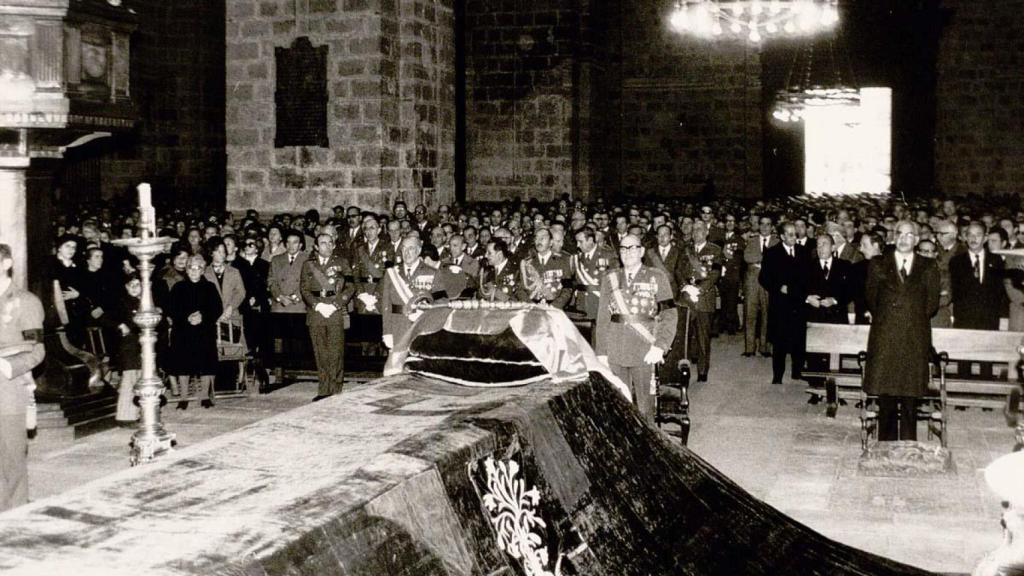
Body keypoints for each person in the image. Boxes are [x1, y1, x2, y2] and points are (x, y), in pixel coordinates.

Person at [863, 221, 940, 441]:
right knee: (886, 392)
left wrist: (909, 316)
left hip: (914, 336)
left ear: (917, 239)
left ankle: (908, 444)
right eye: (900, 234)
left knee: (910, 394)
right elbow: (872, 299)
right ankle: (885, 444)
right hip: (886, 336)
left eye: (909, 235)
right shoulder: (878, 263)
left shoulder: (928, 266)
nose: (904, 238)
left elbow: (931, 304)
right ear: (892, 237)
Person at [594, 234, 677, 425]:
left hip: (645, 349)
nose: (627, 253)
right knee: (618, 404)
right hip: (616, 349)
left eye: (632, 248)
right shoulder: (610, 278)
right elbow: (603, 318)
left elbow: (669, 314)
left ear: (641, 251)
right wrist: (601, 353)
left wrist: (660, 345)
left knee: (644, 408)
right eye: (623, 249)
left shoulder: (657, 277)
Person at [0, 244, 46, 512]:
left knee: (12, 459)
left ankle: (16, 517)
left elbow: (37, 349)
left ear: (7, 264)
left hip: (8, 390)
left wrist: (7, 367)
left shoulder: (25, 302)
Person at [300, 233, 355, 401]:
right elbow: (304, 289)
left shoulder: (342, 263)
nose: (327, 246)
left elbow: (351, 286)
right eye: (322, 243)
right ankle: (324, 389)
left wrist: (336, 304)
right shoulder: (308, 265)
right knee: (320, 352)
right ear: (316, 247)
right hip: (316, 312)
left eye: (329, 243)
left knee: (335, 352)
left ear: (333, 245)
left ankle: (336, 389)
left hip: (334, 311)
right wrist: (317, 305)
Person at [166, 255, 222, 410]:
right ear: (186, 269)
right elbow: (171, 308)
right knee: (183, 363)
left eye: (197, 268)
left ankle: (204, 396)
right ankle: (183, 398)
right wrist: (187, 317)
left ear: (202, 270)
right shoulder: (178, 287)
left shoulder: (210, 287)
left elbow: (217, 308)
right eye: (191, 267)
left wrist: (202, 316)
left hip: (204, 330)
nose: (194, 271)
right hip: (183, 331)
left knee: (205, 363)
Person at [379, 236, 454, 350]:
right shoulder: (392, 273)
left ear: (419, 251)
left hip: (421, 326)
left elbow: (442, 302)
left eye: (411, 248)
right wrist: (387, 331)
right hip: (397, 326)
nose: (406, 252)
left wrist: (428, 318)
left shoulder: (432, 272)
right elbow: (386, 305)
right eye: (404, 248)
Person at [759, 222, 806, 385]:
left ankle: (797, 372)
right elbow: (763, 278)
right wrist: (778, 287)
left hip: (799, 303)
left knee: (798, 339)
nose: (795, 237)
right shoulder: (772, 253)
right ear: (783, 236)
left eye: (796, 233)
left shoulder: (803, 252)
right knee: (779, 341)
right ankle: (777, 375)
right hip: (780, 304)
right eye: (791, 234)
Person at [677, 221, 722, 383]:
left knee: (703, 337)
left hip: (704, 297)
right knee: (686, 337)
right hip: (687, 297)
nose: (696, 232)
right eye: (694, 230)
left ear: (706, 232)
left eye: (700, 229)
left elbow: (715, 273)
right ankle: (684, 371)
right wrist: (685, 286)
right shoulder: (685, 249)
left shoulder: (715, 250)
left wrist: (700, 289)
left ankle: (703, 371)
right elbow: (678, 270)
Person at [268, 230, 309, 375]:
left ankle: (298, 370)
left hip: (299, 304)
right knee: (279, 340)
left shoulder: (308, 259)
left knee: (298, 339)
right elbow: (271, 282)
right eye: (289, 242)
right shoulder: (276, 260)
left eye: (295, 242)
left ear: (301, 245)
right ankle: (280, 371)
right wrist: (280, 297)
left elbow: (309, 282)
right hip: (280, 305)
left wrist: (296, 296)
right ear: (285, 244)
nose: (292, 246)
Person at [950, 221, 1005, 330]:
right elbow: (956, 293)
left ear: (985, 238)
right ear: (965, 237)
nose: (973, 238)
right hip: (964, 321)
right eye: (970, 234)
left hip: (989, 320)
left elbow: (999, 292)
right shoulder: (956, 262)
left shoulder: (996, 260)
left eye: (978, 235)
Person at [743, 216, 776, 357]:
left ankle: (765, 347)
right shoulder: (752, 240)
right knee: (750, 314)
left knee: (768, 314)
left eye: (768, 224)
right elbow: (747, 257)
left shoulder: (777, 242)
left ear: (772, 227)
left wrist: (760, 262)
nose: (764, 227)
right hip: (752, 282)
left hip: (770, 282)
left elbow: (778, 260)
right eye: (762, 224)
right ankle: (749, 348)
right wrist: (766, 260)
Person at [516, 228, 573, 308]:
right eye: (537, 238)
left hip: (554, 308)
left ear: (551, 242)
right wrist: (531, 305)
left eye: (542, 238)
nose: (539, 241)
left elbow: (567, 289)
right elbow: (520, 290)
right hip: (532, 307)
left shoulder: (563, 262)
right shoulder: (526, 263)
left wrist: (554, 306)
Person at [350, 214, 393, 314]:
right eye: (366, 229)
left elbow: (388, 272)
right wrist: (362, 294)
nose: (368, 231)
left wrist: (376, 295)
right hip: (363, 294)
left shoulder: (388, 248)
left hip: (380, 293)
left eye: (372, 228)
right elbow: (355, 273)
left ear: (378, 230)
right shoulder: (359, 249)